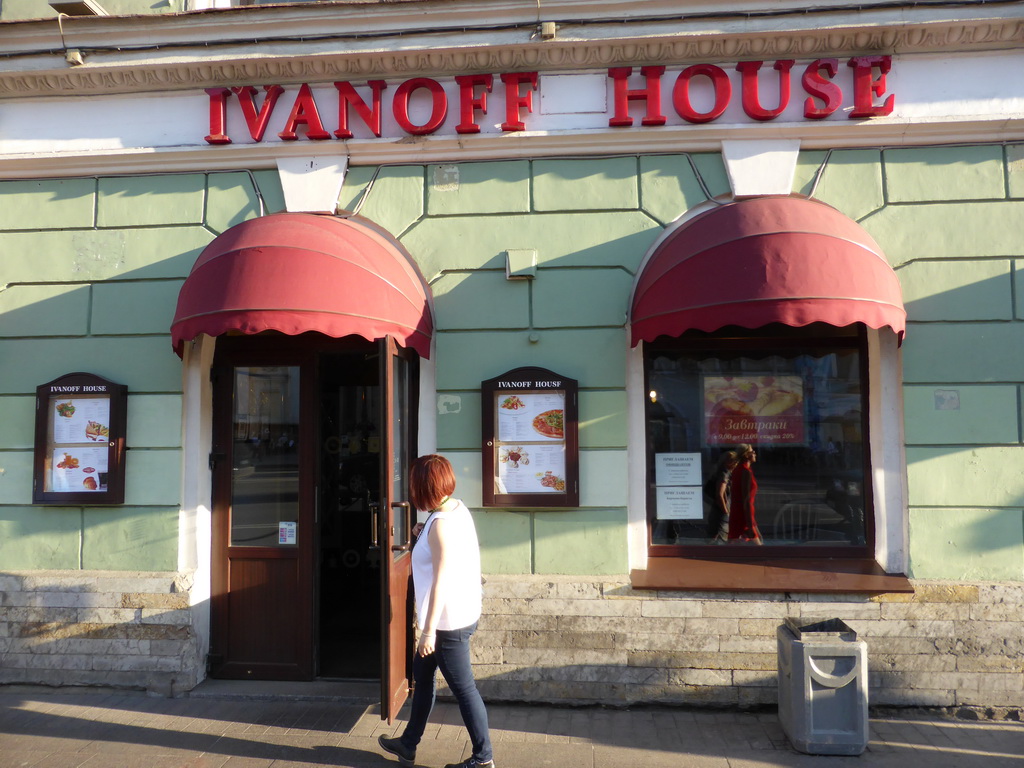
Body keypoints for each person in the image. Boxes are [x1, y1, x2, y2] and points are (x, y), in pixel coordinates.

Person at [379, 454, 494, 768]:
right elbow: (442, 550)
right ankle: (408, 744)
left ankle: (483, 759)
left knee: (464, 688)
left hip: (448, 622)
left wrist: (427, 631)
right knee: (423, 675)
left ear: (422, 487)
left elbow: (442, 578)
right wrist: (422, 534)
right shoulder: (453, 508)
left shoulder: (440, 525)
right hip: (456, 612)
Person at [727, 444, 763, 544]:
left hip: (740, 513)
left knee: (734, 544)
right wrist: (750, 525)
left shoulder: (738, 470)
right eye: (752, 451)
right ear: (746, 455)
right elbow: (745, 499)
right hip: (744, 515)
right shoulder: (745, 472)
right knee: (758, 549)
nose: (755, 453)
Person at [703, 451, 738, 543]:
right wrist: (726, 512)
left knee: (713, 537)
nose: (736, 464)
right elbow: (720, 495)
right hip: (720, 513)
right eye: (734, 461)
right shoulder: (724, 474)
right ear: (728, 462)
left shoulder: (720, 471)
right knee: (719, 539)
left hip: (716, 511)